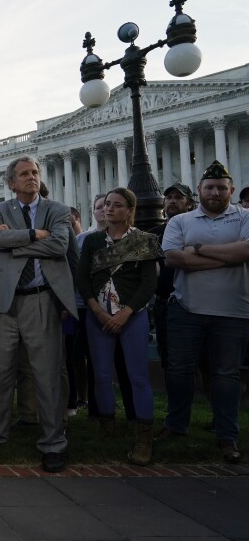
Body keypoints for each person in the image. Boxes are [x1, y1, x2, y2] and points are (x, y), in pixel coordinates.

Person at [0, 155, 77, 473]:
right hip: (4, 301)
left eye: (35, 172)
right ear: (11, 182)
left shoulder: (57, 211)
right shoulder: (1, 210)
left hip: (40, 299)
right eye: (24, 174)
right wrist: (35, 235)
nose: (31, 177)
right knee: (0, 369)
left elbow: (60, 246)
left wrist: (14, 244)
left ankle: (53, 443)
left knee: (46, 372)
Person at [158, 160, 249, 464]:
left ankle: (227, 435)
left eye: (221, 188)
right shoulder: (181, 221)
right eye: (209, 187)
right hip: (187, 308)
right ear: (199, 190)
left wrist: (196, 250)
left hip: (232, 311)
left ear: (231, 190)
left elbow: (246, 252)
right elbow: (172, 259)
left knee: (226, 375)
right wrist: (228, 258)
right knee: (179, 371)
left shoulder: (245, 217)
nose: (215, 192)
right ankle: (176, 425)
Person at [77, 188, 161, 465]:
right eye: (106, 205)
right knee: (101, 375)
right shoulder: (91, 242)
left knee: (138, 377)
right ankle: (107, 430)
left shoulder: (144, 241)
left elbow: (149, 283)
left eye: (116, 205)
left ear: (130, 210)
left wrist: (125, 313)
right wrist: (97, 311)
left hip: (131, 316)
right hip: (97, 314)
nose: (109, 210)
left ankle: (144, 438)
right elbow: (83, 279)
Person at [149, 182, 195, 372]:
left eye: (178, 197)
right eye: (169, 198)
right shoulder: (153, 235)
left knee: (200, 358)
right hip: (164, 303)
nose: (172, 201)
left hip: (194, 301)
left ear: (189, 204)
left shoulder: (197, 230)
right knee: (168, 356)